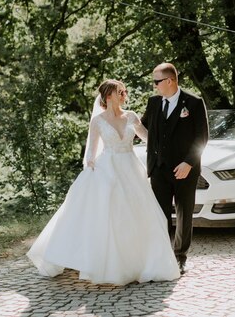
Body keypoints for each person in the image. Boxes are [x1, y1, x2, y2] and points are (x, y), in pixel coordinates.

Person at [27, 79, 180, 285]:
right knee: (111, 215)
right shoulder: (97, 121)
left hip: (131, 168)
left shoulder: (131, 116)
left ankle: (144, 262)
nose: (124, 94)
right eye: (120, 92)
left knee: (138, 213)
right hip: (108, 168)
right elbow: (91, 148)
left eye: (124, 91)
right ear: (108, 96)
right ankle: (109, 263)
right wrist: (90, 161)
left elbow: (148, 138)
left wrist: (169, 140)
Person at [141, 63, 209, 275]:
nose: (154, 86)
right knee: (160, 215)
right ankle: (162, 256)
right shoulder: (153, 103)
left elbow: (202, 137)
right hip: (159, 169)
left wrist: (189, 163)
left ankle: (180, 256)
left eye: (156, 82)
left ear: (169, 81)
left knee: (183, 213)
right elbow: (142, 129)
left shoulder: (194, 103)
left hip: (184, 170)